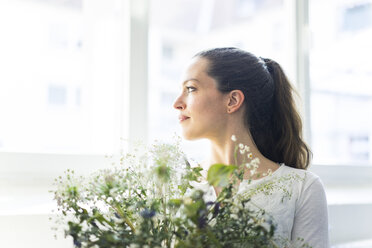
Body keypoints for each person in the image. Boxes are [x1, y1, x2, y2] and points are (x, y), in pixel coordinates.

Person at [173, 47, 329, 248]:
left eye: (191, 88)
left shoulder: (302, 188)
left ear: (232, 100)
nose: (176, 103)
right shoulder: (175, 185)